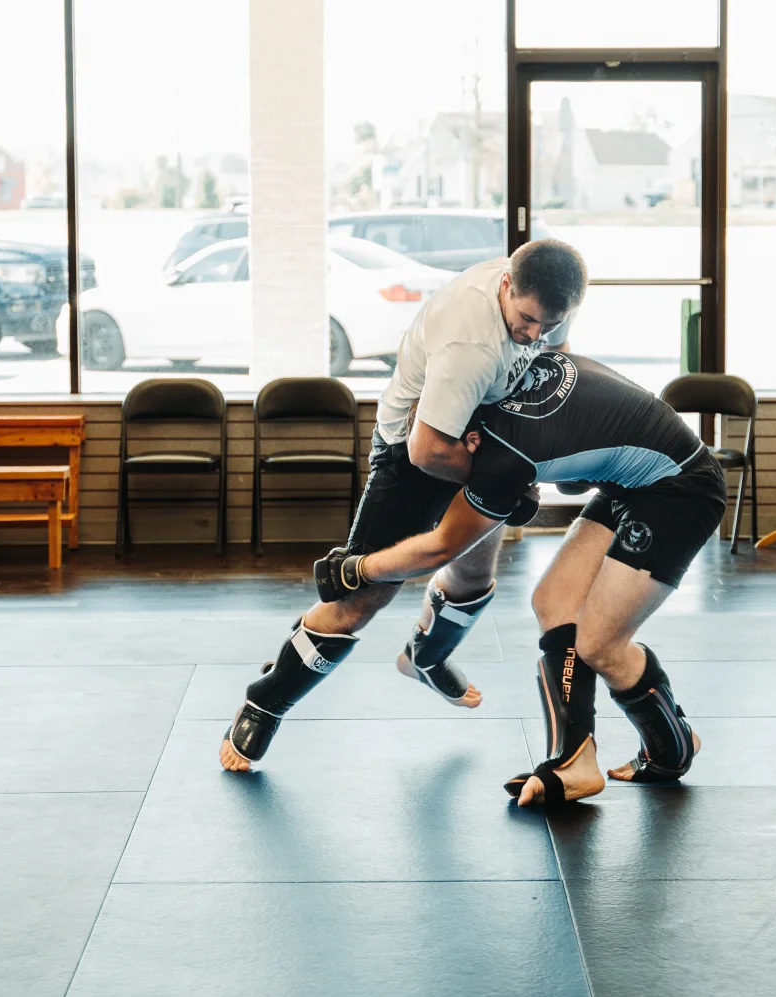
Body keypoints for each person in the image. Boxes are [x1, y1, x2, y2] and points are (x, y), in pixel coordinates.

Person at [219, 239, 587, 774]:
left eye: (547, 324)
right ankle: (266, 701)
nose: (534, 334)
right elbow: (427, 450)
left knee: (473, 575)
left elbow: (556, 355)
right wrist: (504, 487)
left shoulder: (544, 297)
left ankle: (425, 656)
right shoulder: (471, 343)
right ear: (506, 285)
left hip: (483, 436)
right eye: (527, 320)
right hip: (415, 449)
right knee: (361, 599)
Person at [310, 351, 727, 806]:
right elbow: (598, 410)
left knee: (599, 646)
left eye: (443, 465)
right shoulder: (515, 372)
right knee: (553, 602)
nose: (447, 480)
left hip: (681, 489)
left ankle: (671, 748)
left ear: (470, 439)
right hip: (629, 482)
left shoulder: (501, 454)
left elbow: (442, 548)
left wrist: (356, 569)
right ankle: (575, 761)